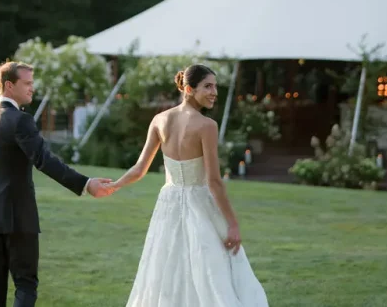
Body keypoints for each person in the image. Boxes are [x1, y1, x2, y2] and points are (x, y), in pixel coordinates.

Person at [110, 64, 269, 306]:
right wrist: (233, 224)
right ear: (188, 88)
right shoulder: (207, 126)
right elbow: (215, 182)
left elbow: (139, 169)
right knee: (210, 269)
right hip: (199, 203)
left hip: (168, 204)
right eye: (208, 86)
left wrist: (116, 184)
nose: (214, 92)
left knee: (168, 268)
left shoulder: (160, 120)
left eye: (215, 86)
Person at [0, 61, 115, 307]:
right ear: (9, 85)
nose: (32, 89)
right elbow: (44, 160)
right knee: (25, 283)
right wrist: (86, 184)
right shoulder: (20, 121)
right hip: (18, 216)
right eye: (27, 84)